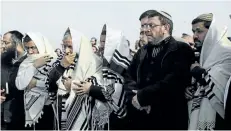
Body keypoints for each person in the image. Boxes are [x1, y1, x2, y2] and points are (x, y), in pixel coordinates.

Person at [124, 10, 194, 130]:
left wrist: (142, 96)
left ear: (165, 27)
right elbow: (129, 78)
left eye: (151, 25)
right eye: (144, 26)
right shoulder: (142, 51)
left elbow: (174, 80)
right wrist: (135, 99)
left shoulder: (181, 49)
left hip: (169, 119)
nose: (146, 30)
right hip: (141, 118)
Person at [187, 13, 231, 130]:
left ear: (212, 31)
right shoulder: (202, 55)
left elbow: (222, 87)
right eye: (193, 31)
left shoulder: (227, 53)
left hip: (219, 117)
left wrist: (198, 72)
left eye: (199, 31)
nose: (195, 36)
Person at [15, 32, 56, 129]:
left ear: (41, 46)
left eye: (33, 47)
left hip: (50, 107)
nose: (30, 52)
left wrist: (37, 83)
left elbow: (56, 84)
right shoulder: (26, 63)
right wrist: (34, 66)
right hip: (30, 108)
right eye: (27, 48)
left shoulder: (54, 61)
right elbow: (20, 84)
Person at [1, 30, 27, 130]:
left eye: (6, 43)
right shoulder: (4, 60)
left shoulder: (28, 62)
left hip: (21, 115)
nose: (3, 46)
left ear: (16, 44)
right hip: (4, 116)